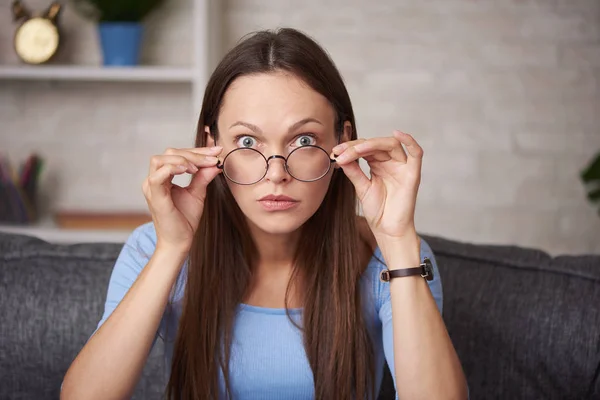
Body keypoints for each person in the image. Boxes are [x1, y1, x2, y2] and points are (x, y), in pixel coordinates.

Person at [61, 28, 468, 400]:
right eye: (247, 140)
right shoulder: (153, 247)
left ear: (343, 141)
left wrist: (397, 241)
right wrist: (172, 249)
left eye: (303, 139)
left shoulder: (397, 257)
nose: (276, 175)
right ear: (211, 143)